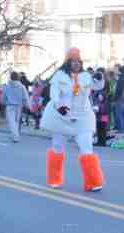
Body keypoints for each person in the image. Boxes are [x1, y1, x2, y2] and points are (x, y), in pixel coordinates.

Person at [40, 47, 105, 192]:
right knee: (57, 147)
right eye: (73, 61)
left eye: (78, 61)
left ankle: (93, 182)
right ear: (68, 62)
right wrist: (59, 106)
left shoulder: (86, 76)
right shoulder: (59, 75)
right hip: (62, 116)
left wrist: (100, 77)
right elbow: (54, 93)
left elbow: (98, 86)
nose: (76, 64)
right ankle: (54, 179)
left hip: (83, 117)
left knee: (86, 148)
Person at [0, 71, 30, 143]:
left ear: (11, 77)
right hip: (19, 106)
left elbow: (3, 97)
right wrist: (27, 105)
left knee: (11, 122)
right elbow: (25, 97)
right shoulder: (22, 86)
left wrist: (3, 102)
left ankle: (15, 137)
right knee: (16, 122)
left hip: (10, 106)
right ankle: (15, 136)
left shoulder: (7, 86)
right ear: (18, 78)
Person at [114, 65, 124, 133]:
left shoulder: (121, 78)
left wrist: (115, 98)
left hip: (120, 98)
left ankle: (121, 129)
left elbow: (119, 89)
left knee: (119, 114)